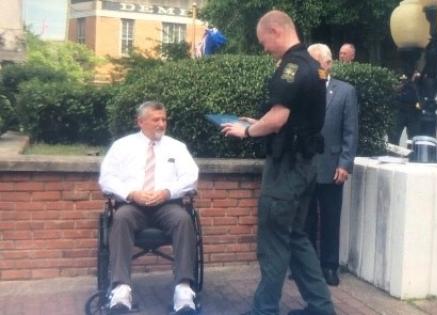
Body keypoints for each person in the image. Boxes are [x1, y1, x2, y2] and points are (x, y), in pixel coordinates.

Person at [221, 10, 336, 315]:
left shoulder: (291, 66)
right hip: (305, 165)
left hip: (286, 169)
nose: (264, 48)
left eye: (263, 42)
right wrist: (258, 120)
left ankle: (264, 310)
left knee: (273, 242)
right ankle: (321, 308)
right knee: (297, 238)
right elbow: (294, 117)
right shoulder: (313, 66)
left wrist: (246, 130)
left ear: (275, 30)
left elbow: (279, 118)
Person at [99, 101, 199, 314]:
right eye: (156, 119)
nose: (161, 123)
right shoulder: (122, 146)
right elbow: (107, 178)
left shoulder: (176, 147)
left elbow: (191, 177)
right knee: (121, 218)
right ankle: (121, 289)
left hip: (167, 206)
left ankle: (183, 289)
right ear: (140, 121)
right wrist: (131, 193)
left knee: (183, 219)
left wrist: (167, 192)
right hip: (133, 206)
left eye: (164, 119)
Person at [306, 43, 358, 286]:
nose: (314, 68)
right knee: (304, 220)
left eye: (317, 63)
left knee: (330, 219)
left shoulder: (345, 92)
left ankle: (329, 266)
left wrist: (345, 164)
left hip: (332, 166)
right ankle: (305, 266)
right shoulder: (301, 90)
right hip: (304, 168)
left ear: (328, 64)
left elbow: (350, 132)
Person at [387, 73, 421, 145]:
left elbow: (419, 93)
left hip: (413, 111)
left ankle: (411, 155)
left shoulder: (416, 76)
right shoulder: (394, 74)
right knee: (393, 139)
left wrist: (412, 82)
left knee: (414, 140)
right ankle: (392, 155)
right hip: (398, 109)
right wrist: (405, 84)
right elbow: (394, 88)